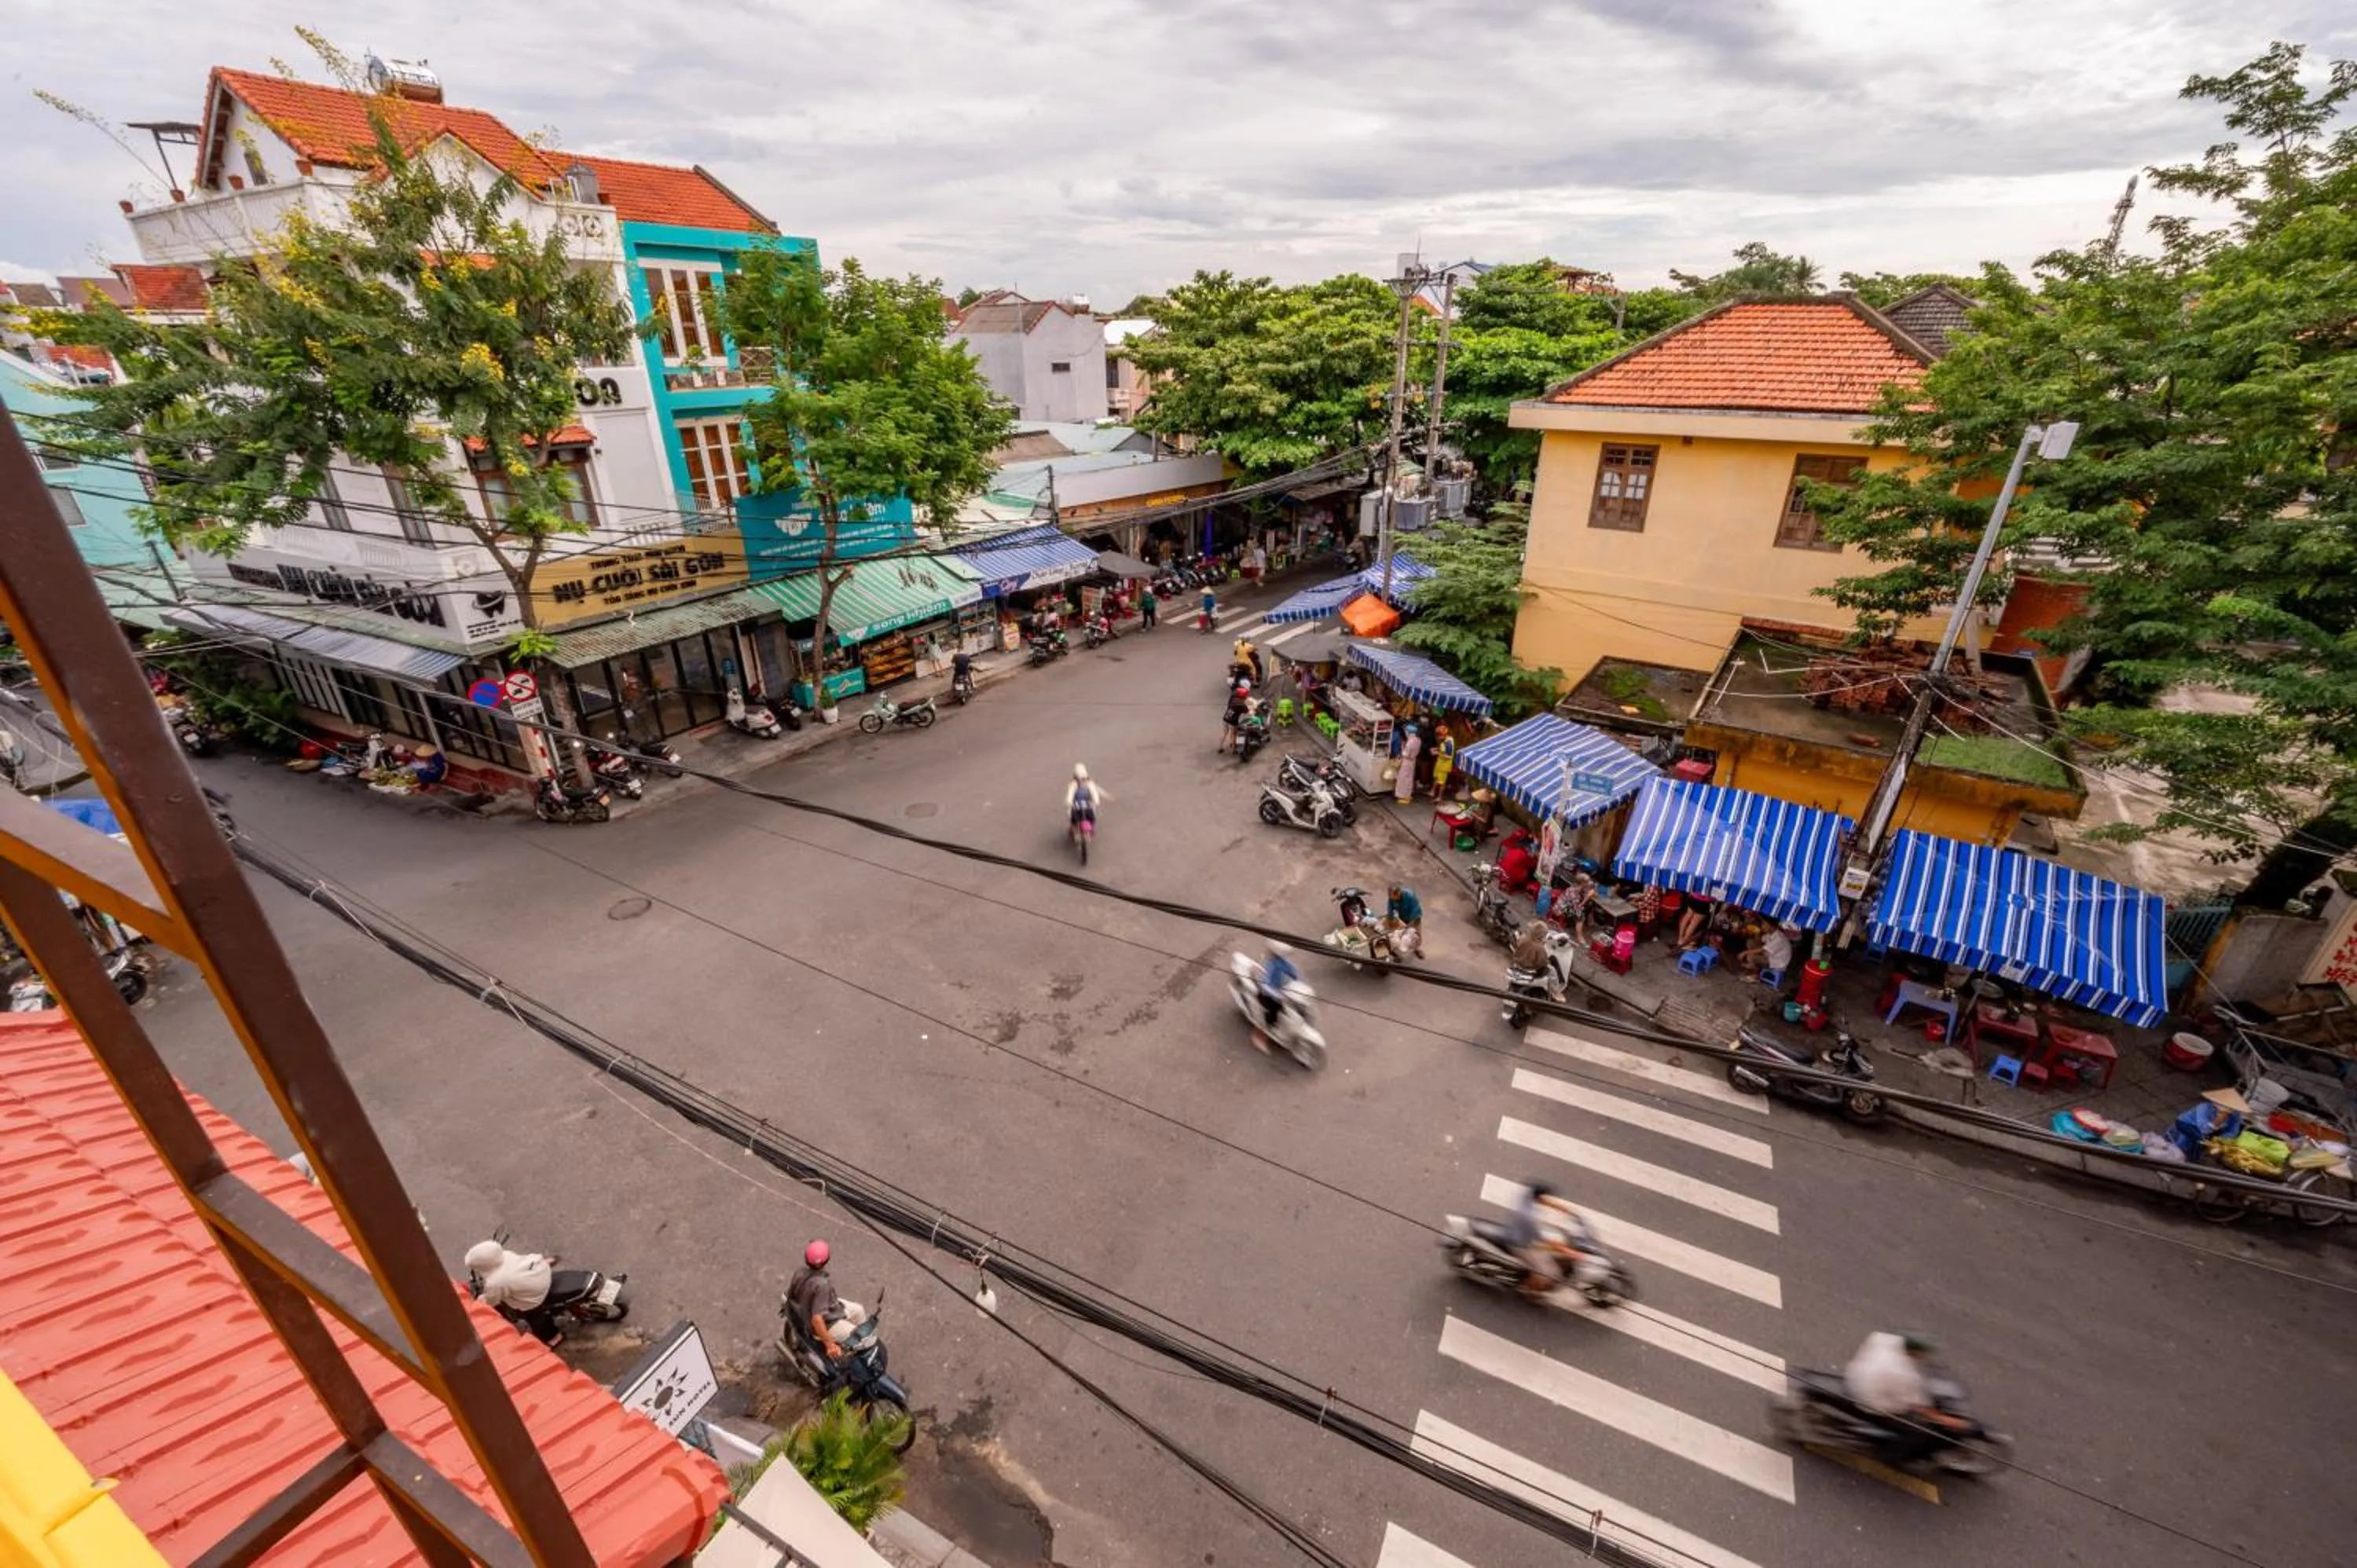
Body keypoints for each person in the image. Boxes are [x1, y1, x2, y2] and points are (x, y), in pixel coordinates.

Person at [1843, 1331, 1950, 1466]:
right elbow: (1917, 1404)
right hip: (1871, 1401)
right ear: (1915, 1352)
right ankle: (1891, 1457)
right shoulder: (1903, 1374)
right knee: (1918, 1431)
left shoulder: (1884, 1340)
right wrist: (1942, 1419)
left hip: (1856, 1378)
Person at [465, 1239, 562, 1345]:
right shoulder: (506, 1255)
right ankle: (544, 1263)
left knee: (534, 1316)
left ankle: (553, 1337)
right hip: (540, 1272)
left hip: (535, 1295)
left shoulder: (496, 1282)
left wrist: (481, 1299)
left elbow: (492, 1300)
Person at [786, 1239, 867, 1362]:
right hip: (828, 1322)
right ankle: (851, 1358)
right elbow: (817, 1319)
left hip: (822, 1307)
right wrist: (830, 1345)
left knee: (859, 1310)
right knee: (860, 1337)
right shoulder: (822, 1286)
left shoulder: (800, 1272)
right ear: (826, 1260)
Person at [1256, 940, 1301, 1036]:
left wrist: (1299, 982)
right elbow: (1265, 984)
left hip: (1281, 989)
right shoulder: (1270, 965)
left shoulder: (1283, 961)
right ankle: (1268, 1028)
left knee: (1296, 1004)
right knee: (1274, 1010)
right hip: (1267, 993)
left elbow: (1293, 971)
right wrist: (1277, 995)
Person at [1065, 762, 1108, 833]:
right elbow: (1070, 794)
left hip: (1088, 804)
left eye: (1084, 779)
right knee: (1072, 817)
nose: (1082, 781)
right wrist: (1069, 802)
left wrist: (1097, 800)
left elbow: (1095, 791)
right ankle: (1073, 828)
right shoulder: (1073, 785)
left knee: (1092, 816)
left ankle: (1091, 827)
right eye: (1080, 779)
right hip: (1076, 805)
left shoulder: (1089, 784)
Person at [1393, 724, 1422, 804]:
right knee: (1409, 778)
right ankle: (1408, 795)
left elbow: (1405, 754)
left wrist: (1402, 748)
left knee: (1403, 779)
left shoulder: (1410, 742)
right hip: (1412, 761)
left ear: (1408, 732)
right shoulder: (1418, 740)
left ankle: (1404, 797)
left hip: (1407, 762)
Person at [1221, 680, 1251, 753]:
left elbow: (1229, 705)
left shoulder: (1233, 698)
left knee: (1225, 733)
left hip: (1226, 717)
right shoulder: (1242, 705)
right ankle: (1234, 750)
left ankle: (1220, 747)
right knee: (1234, 734)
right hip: (1233, 721)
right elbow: (1247, 711)